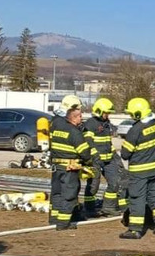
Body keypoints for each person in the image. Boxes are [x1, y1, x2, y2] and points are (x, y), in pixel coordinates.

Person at [119, 97, 155, 239]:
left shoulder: (136, 130)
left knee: (137, 198)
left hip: (140, 171)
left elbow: (125, 154)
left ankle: (135, 229)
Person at [49, 95, 99, 230]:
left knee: (57, 192)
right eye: (79, 115)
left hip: (56, 165)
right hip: (70, 166)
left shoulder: (55, 124)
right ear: (73, 115)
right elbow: (84, 152)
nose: (82, 119)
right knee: (69, 193)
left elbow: (51, 144)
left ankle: (54, 218)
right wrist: (89, 163)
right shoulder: (73, 131)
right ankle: (63, 222)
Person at [83, 98, 117, 217]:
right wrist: (94, 155)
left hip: (108, 160)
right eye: (106, 112)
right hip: (95, 160)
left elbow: (108, 142)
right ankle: (89, 209)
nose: (108, 115)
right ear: (99, 111)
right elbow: (88, 141)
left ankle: (108, 207)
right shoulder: (90, 124)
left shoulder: (106, 124)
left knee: (114, 183)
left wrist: (115, 156)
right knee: (93, 185)